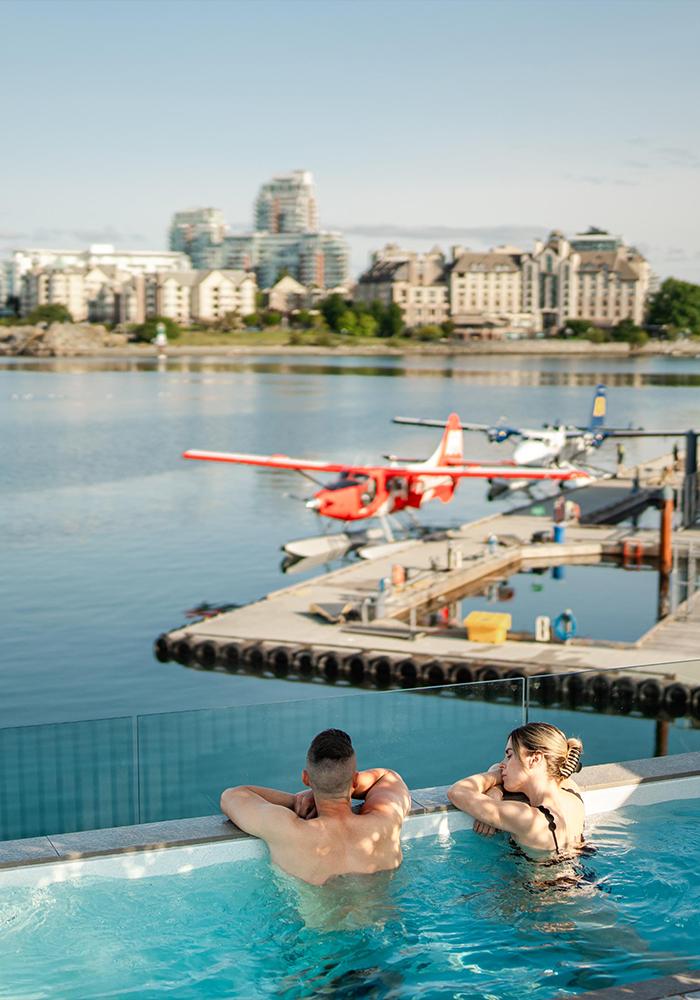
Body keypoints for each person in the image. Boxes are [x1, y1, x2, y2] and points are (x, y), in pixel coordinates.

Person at [220, 728, 411, 885]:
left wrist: (295, 801)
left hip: (320, 931)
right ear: (355, 780)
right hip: (384, 927)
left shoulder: (288, 831)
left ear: (305, 779)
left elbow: (232, 795)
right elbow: (388, 776)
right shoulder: (386, 821)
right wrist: (338, 784)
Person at [448, 723, 584, 856]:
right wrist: (496, 791)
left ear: (535, 759)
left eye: (509, 756)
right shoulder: (572, 791)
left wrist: (495, 777)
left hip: (537, 879)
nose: (502, 765)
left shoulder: (527, 818)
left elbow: (458, 792)